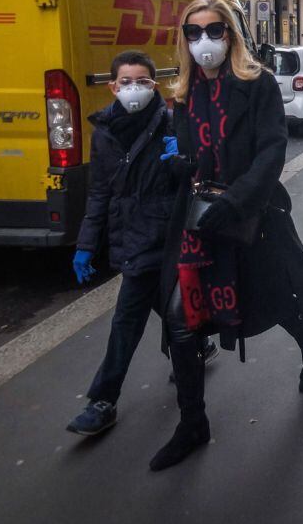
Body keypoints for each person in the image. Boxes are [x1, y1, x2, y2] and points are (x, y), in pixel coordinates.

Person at [150, 0, 303, 471]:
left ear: (230, 34)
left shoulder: (259, 84)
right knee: (180, 320)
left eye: (213, 30)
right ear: (184, 40)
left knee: (275, 303)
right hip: (198, 224)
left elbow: (272, 151)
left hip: (250, 218)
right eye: (193, 32)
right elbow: (187, 156)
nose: (203, 40)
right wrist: (177, 167)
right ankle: (193, 423)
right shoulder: (184, 94)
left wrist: (234, 201)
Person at [66, 51, 219, 438]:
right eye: (126, 82)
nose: (134, 88)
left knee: (126, 321)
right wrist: (86, 244)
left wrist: (182, 163)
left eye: (143, 81)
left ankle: (103, 400)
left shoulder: (170, 123)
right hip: (129, 237)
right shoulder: (104, 132)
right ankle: (195, 347)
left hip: (162, 237)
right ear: (113, 86)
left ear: (155, 85)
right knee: (169, 311)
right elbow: (99, 193)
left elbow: (196, 174)